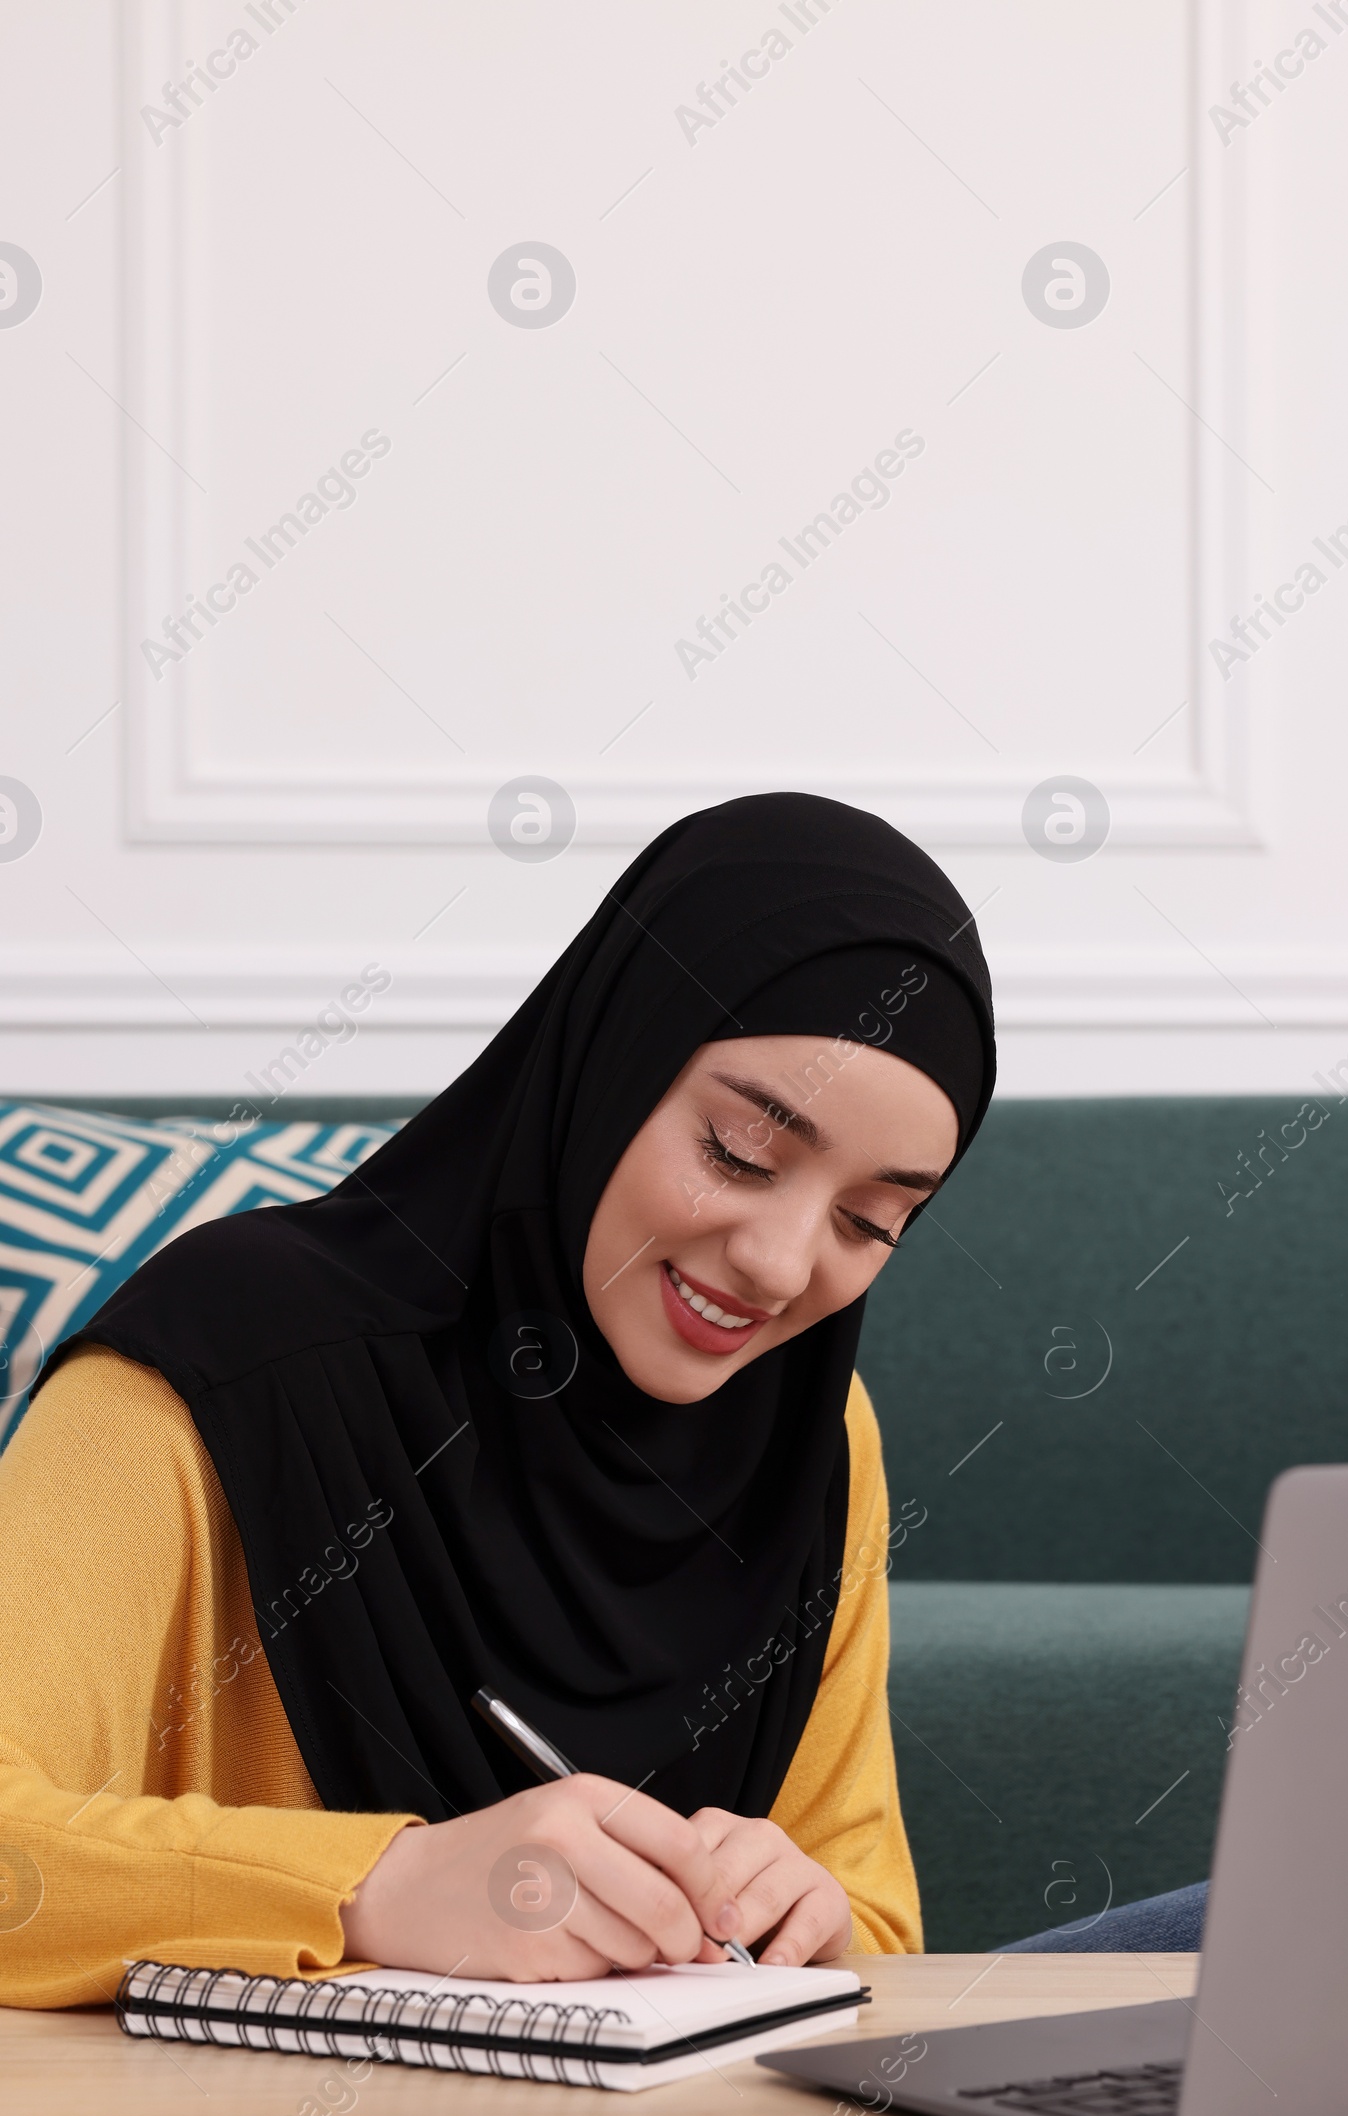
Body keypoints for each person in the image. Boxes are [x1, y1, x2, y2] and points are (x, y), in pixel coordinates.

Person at [0, 793, 996, 2004]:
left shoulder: (813, 1426)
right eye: (740, 1151)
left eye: (869, 1221)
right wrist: (379, 1884)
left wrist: (806, 1912)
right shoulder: (218, 1364)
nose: (783, 1267)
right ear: (607, 1064)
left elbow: (878, 1918)